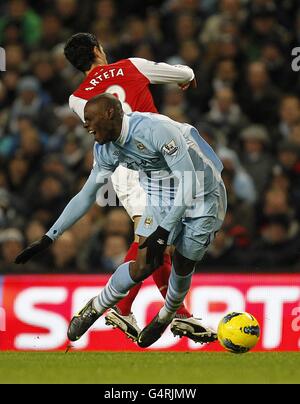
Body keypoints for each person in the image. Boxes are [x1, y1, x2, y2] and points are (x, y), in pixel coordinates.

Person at [15, 94, 226, 347]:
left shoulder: (157, 130)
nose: (86, 126)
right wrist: (50, 237)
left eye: (90, 120)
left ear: (110, 114)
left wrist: (164, 230)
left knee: (182, 264)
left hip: (203, 196)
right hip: (160, 196)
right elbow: (86, 195)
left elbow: (189, 182)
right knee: (144, 264)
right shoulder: (104, 147)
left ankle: (166, 315)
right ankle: (96, 306)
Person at [61, 32, 203, 343]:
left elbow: (97, 124)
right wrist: (185, 79)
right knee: (154, 238)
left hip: (119, 167)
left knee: (156, 239)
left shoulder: (77, 98)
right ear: (99, 48)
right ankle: (170, 314)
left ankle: (141, 310)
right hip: (150, 159)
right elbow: (185, 72)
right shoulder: (132, 66)